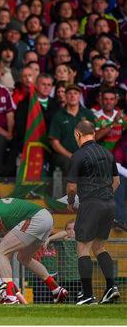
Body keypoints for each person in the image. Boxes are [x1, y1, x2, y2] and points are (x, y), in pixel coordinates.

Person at [0, 198, 68, 304]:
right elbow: (7, 254)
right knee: (23, 258)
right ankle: (56, 289)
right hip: (45, 218)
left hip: (35, 218)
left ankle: (10, 296)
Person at [66, 120, 121, 304]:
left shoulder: (78, 155)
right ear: (94, 134)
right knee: (99, 246)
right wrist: (104, 196)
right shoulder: (108, 153)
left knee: (83, 248)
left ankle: (88, 295)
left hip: (90, 204)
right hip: (109, 204)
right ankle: (111, 288)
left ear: (77, 134)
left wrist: (71, 201)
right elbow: (117, 182)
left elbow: (72, 187)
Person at [49, 84, 96, 176]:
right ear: (65, 96)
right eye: (69, 93)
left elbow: (93, 138)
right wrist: (71, 156)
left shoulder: (88, 114)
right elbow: (55, 143)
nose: (72, 96)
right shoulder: (58, 116)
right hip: (64, 155)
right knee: (70, 163)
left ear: (79, 96)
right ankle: (70, 190)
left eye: (75, 93)